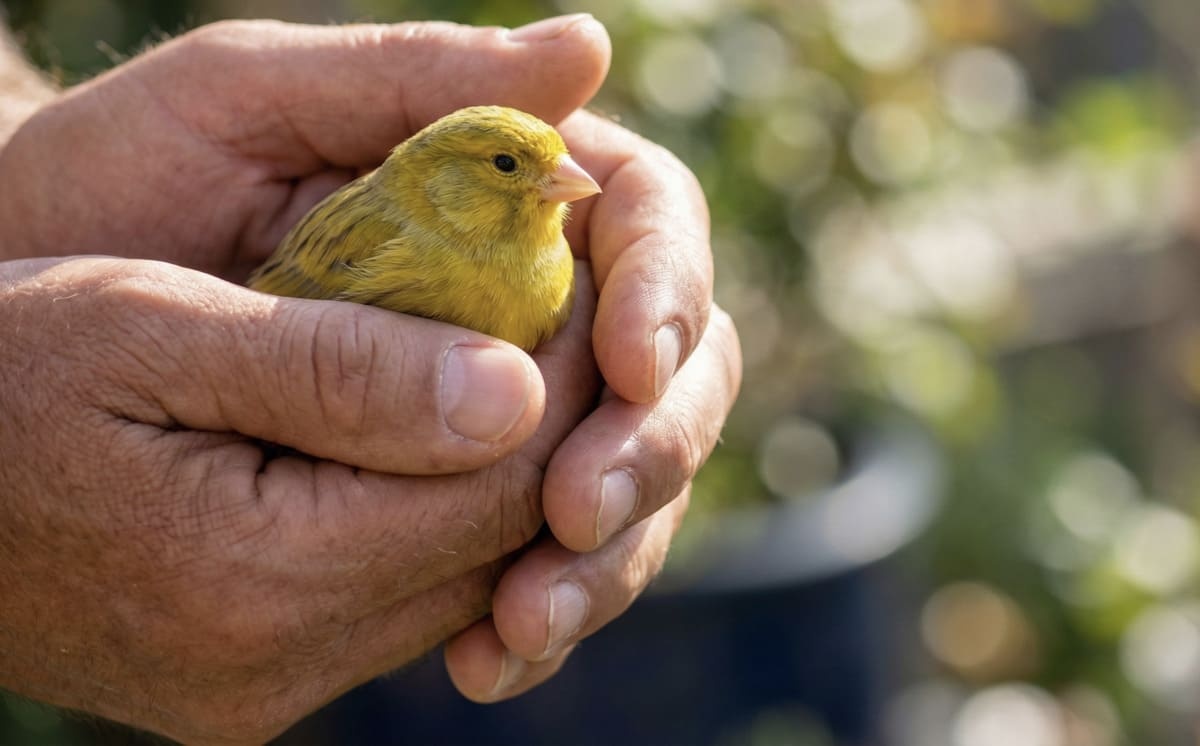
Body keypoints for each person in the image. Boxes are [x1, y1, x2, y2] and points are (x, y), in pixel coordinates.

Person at [0, 12, 741, 745]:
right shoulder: (387, 241)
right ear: (439, 184)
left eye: (550, 163)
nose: (562, 180)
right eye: (509, 167)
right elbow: (259, 325)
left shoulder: (550, 261)